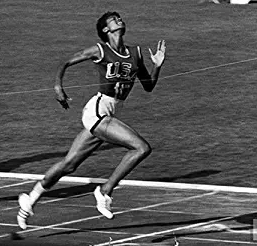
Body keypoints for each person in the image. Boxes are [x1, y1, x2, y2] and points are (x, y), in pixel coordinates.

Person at [17, 11, 166, 230]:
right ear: (106, 30)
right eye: (114, 19)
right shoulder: (100, 50)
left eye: (120, 18)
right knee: (141, 148)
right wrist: (58, 85)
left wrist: (158, 65)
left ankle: (29, 199)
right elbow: (65, 62)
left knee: (69, 164)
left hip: (111, 113)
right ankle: (104, 191)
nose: (120, 20)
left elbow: (148, 86)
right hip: (97, 111)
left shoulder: (136, 53)